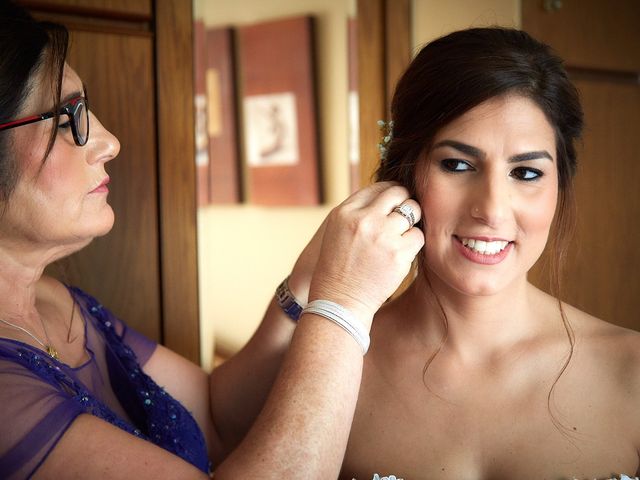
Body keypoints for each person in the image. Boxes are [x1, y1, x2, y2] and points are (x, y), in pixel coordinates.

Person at [0, 2, 425, 479]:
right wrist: (342, 309)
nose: (108, 141)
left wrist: (306, 283)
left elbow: (215, 416)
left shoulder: (58, 304)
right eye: (64, 119)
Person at [339, 28, 640, 480]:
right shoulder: (333, 367)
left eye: (525, 172)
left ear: (560, 186)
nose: (492, 210)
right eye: (457, 165)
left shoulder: (633, 373)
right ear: (405, 173)